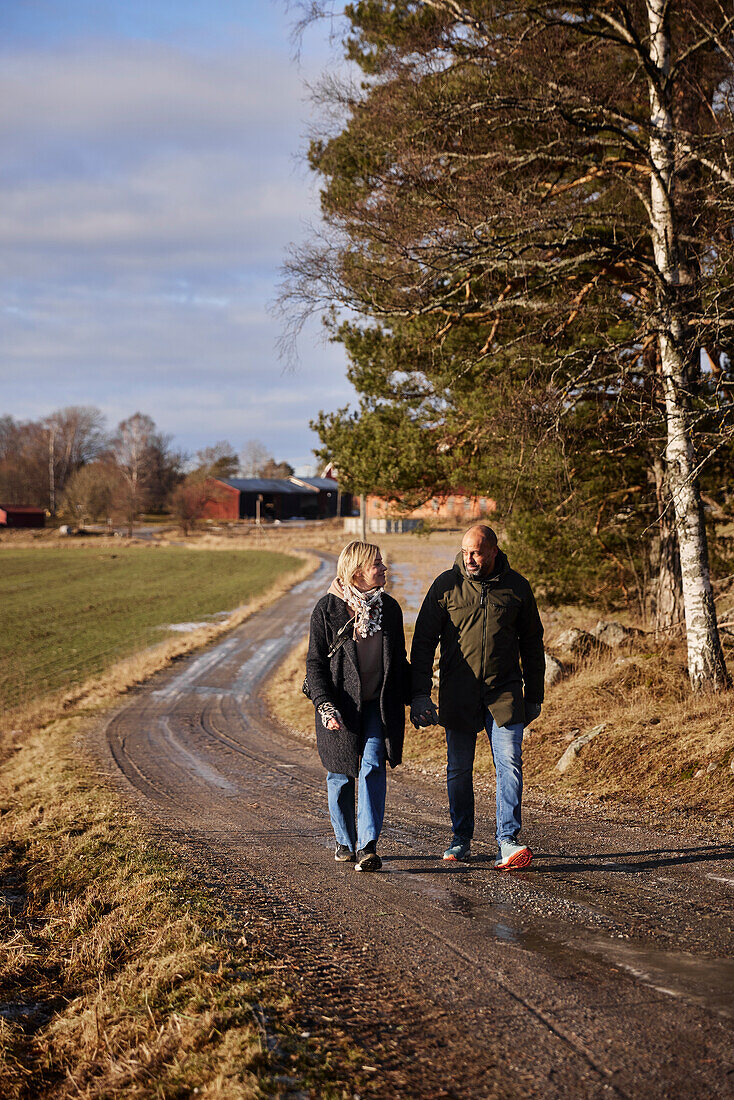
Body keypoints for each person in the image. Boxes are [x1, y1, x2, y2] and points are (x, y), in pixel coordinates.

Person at [410, 525, 544, 869]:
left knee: (510, 764)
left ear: (494, 551)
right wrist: (420, 693)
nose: (470, 559)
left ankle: (507, 841)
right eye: (465, 551)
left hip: (505, 693)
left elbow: (532, 644)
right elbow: (424, 642)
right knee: (458, 769)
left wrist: (534, 695)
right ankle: (461, 838)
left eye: (477, 552)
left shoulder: (517, 587)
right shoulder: (446, 586)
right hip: (459, 692)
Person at [306, 541, 410, 872]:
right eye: (377, 563)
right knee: (340, 773)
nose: (384, 568)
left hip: (377, 706)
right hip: (339, 706)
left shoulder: (390, 610)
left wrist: (418, 696)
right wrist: (324, 705)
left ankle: (367, 845)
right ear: (357, 572)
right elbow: (314, 664)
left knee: (374, 764)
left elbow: (400, 662)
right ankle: (344, 840)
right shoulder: (327, 610)